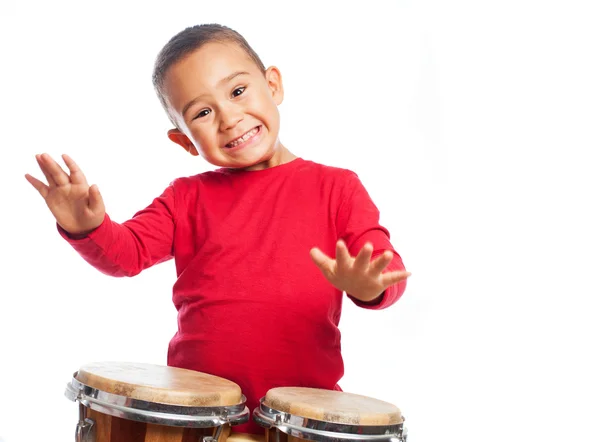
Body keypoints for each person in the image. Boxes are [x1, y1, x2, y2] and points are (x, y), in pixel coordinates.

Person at [25, 24, 410, 434]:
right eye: (202, 113)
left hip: (298, 421)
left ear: (273, 85)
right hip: (195, 419)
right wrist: (87, 227)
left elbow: (385, 268)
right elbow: (127, 253)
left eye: (238, 91)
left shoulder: (338, 188)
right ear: (185, 141)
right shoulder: (185, 197)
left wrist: (369, 284)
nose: (229, 118)